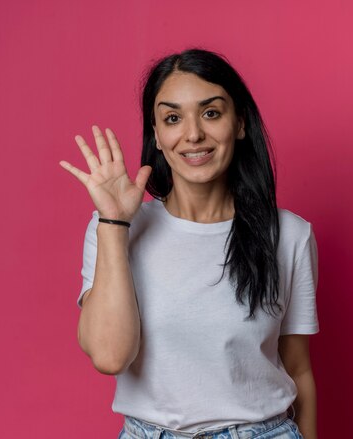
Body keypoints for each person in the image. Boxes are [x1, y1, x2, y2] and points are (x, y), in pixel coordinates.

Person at [60, 48, 319, 439]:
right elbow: (110, 355)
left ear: (240, 123)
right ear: (158, 137)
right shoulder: (115, 228)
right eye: (173, 118)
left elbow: (298, 368)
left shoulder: (289, 235)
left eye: (211, 113)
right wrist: (114, 222)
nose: (193, 133)